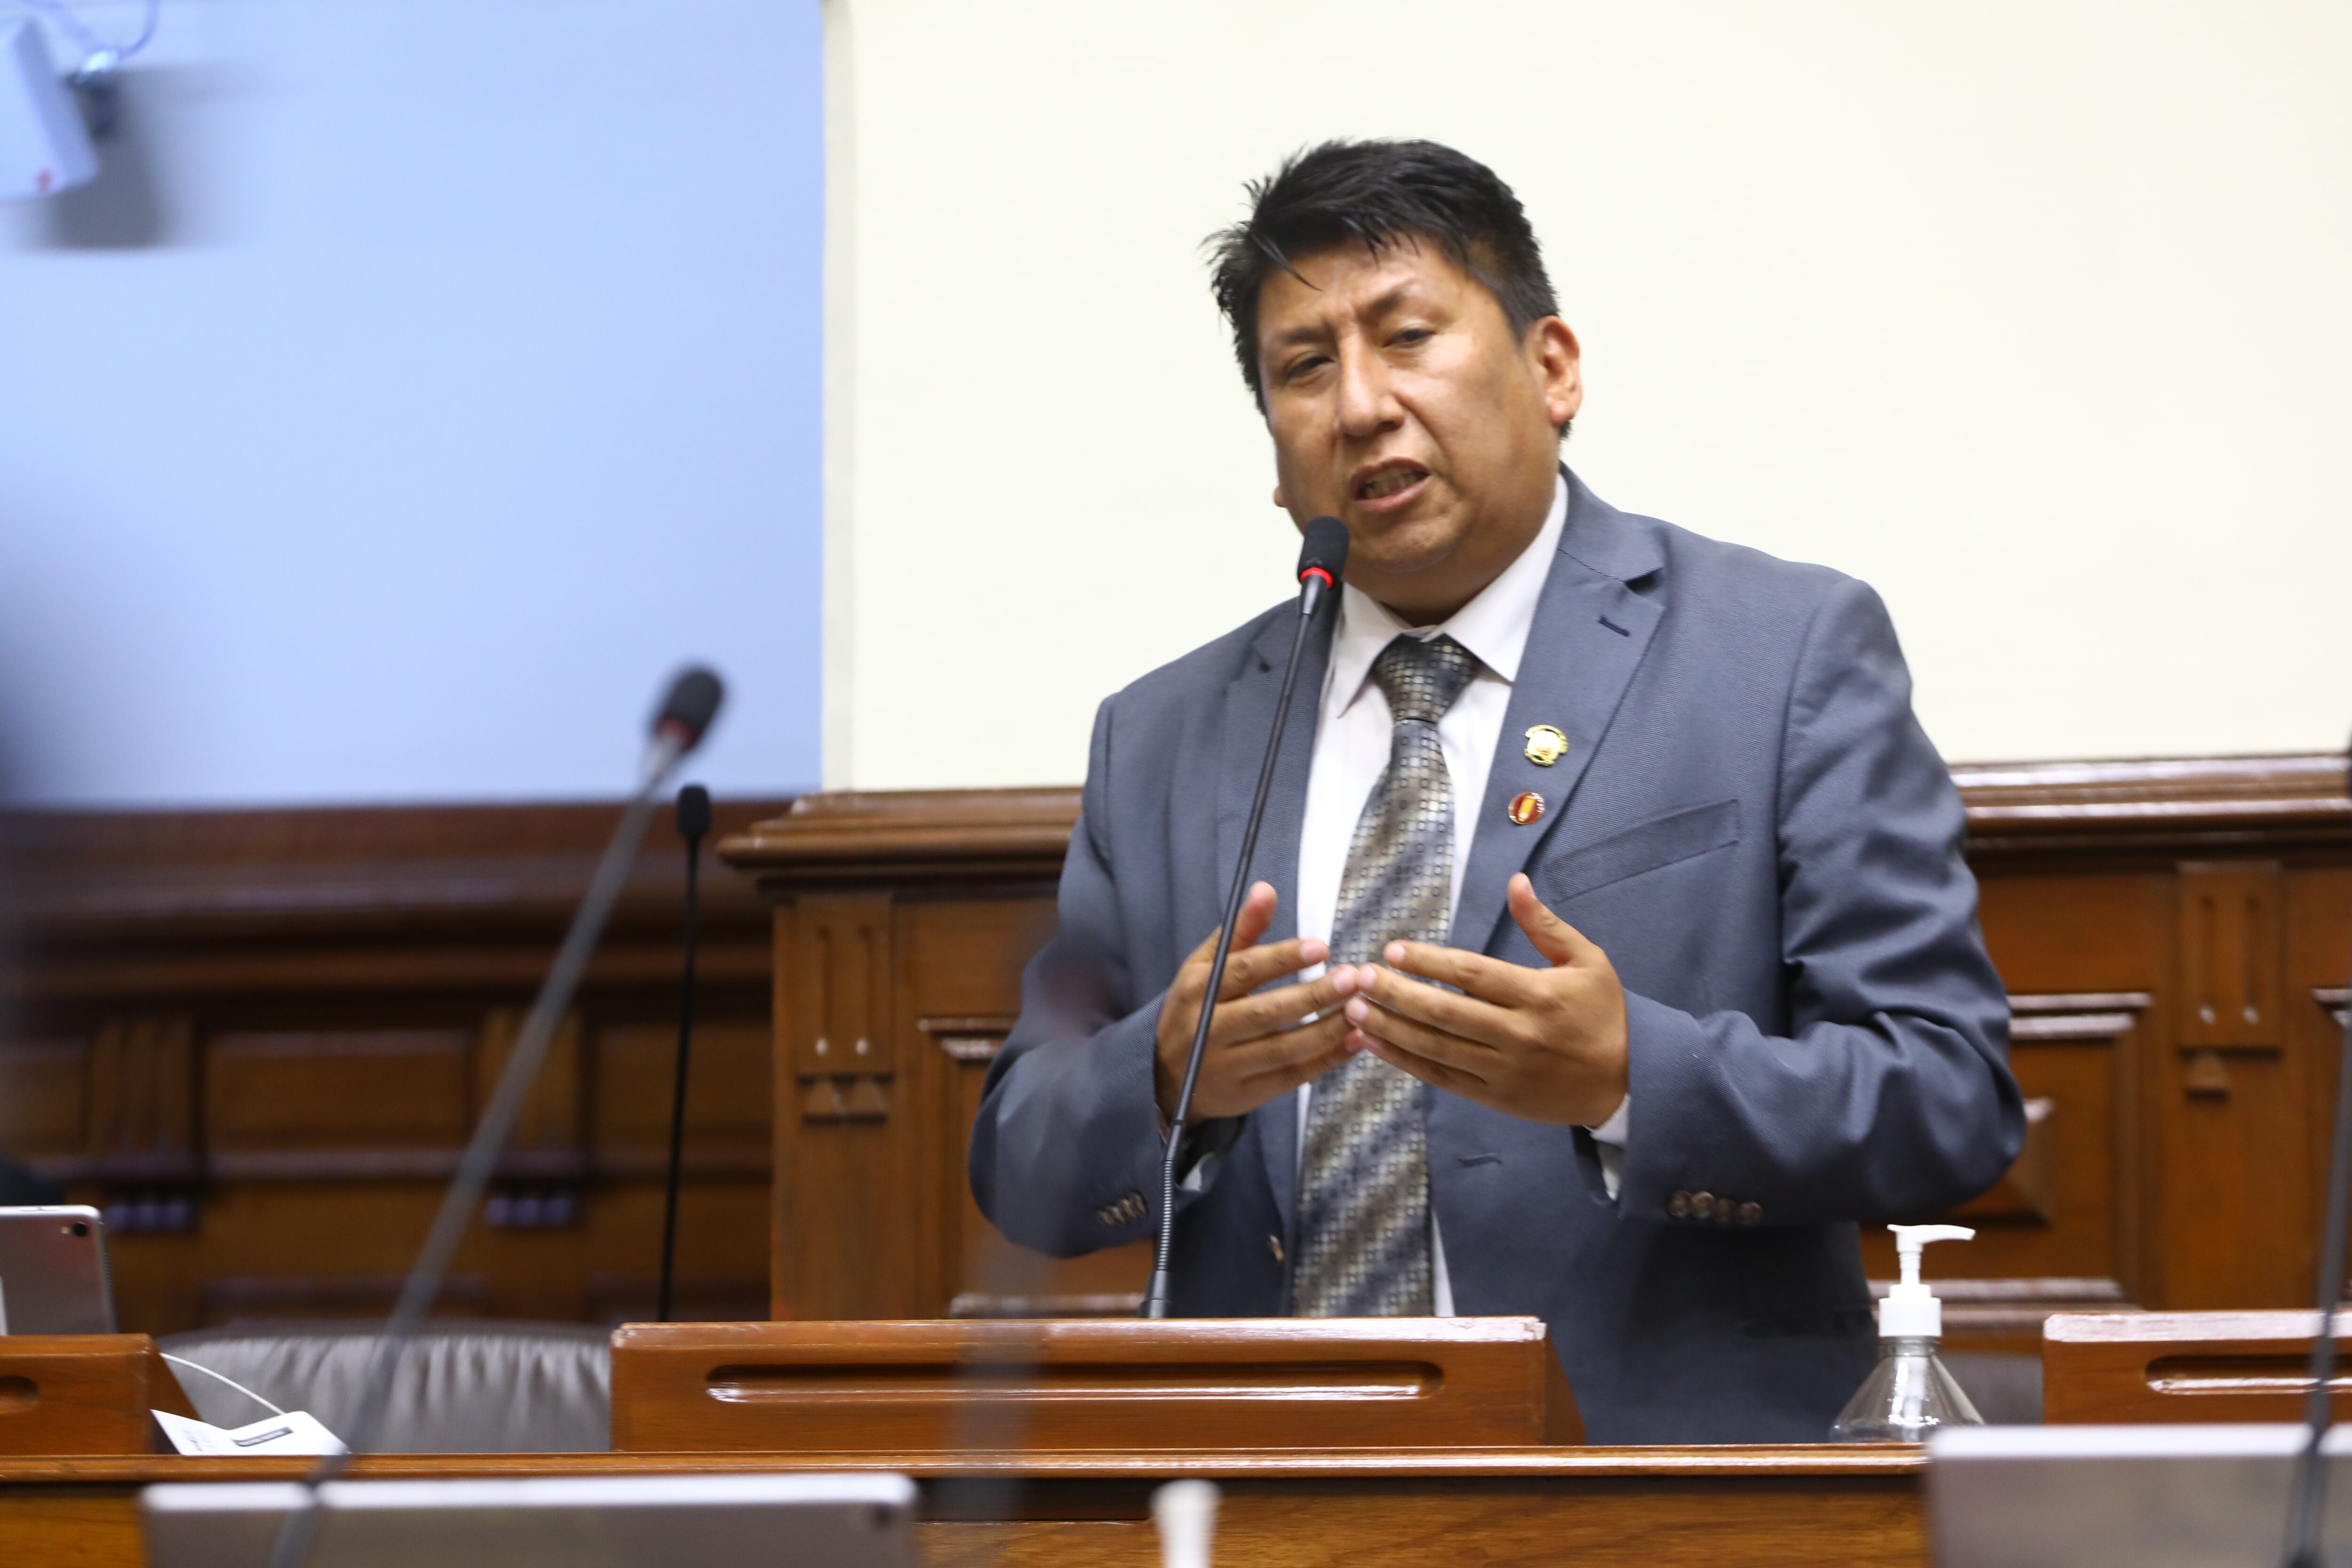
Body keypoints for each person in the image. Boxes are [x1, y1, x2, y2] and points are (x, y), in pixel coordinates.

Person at [968, 139, 2024, 1442]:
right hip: (1267, 1489)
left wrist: (1636, 1077)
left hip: (1669, 1499)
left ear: (1554, 368)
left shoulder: (1781, 654)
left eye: (1407, 337)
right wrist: (1163, 1072)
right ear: (1276, 445)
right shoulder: (1167, 734)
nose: (1359, 405)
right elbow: (1021, 1160)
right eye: (1305, 367)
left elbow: (1949, 1098)